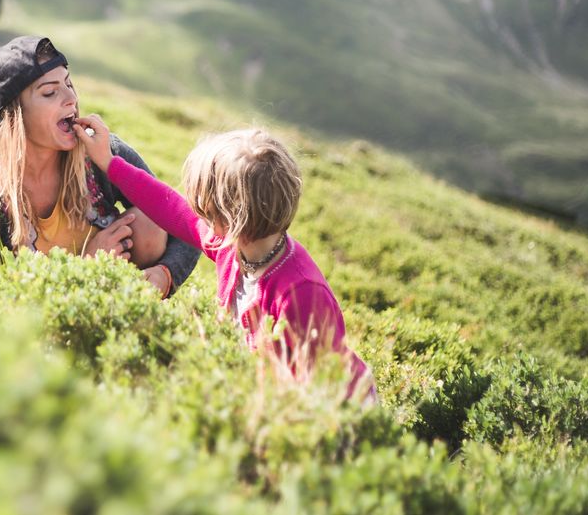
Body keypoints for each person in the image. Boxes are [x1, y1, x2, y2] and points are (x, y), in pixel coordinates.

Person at [74, 116, 375, 399]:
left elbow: (317, 389)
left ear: (228, 218)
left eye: (203, 206)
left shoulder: (301, 293)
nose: (195, 212)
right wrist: (109, 163)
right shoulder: (232, 245)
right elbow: (168, 205)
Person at [0, 36, 200, 298]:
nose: (71, 99)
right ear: (14, 115)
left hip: (114, 308)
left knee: (150, 222)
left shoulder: (101, 153)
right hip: (36, 329)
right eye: (50, 92)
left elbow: (187, 222)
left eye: (69, 84)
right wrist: (84, 268)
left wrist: (166, 274)